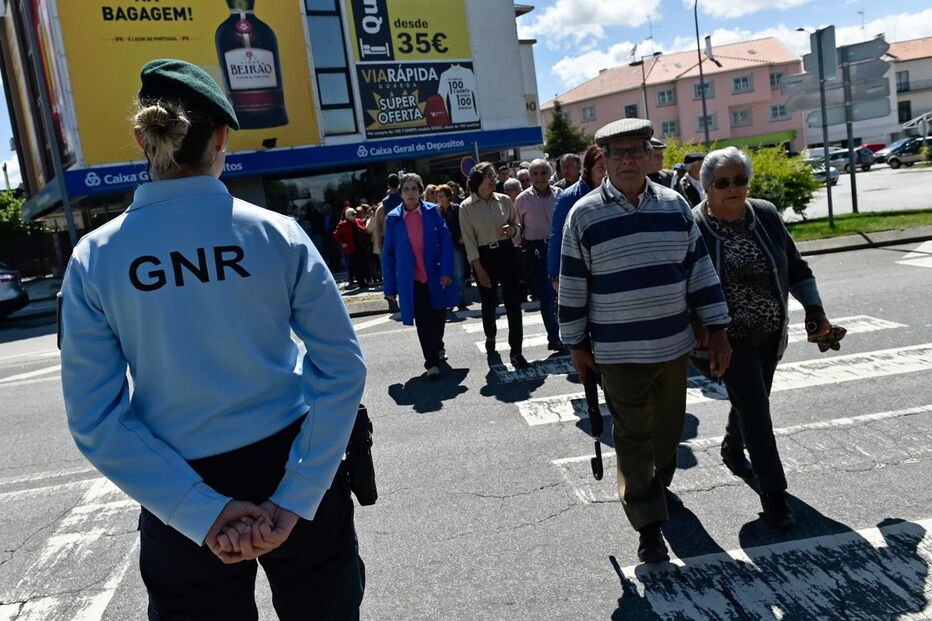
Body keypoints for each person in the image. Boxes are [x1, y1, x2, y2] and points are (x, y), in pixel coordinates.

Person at [59, 59, 367, 619]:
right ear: (221, 136)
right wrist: (295, 497)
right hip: (296, 457)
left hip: (175, 475)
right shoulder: (277, 234)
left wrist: (199, 510)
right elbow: (342, 370)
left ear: (142, 139)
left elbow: (95, 418)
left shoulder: (95, 258)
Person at [559, 118, 732, 564]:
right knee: (633, 437)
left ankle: (657, 488)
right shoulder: (584, 215)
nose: (629, 160)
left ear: (650, 155)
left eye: (637, 150)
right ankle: (648, 524)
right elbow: (573, 287)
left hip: (673, 347)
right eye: (619, 153)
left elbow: (700, 272)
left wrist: (717, 330)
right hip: (617, 354)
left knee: (669, 433)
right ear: (605, 160)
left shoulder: (675, 207)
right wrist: (576, 346)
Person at [691, 146, 833, 529]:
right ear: (707, 187)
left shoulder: (766, 215)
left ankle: (732, 446)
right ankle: (773, 494)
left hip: (770, 332)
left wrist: (814, 310)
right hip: (726, 338)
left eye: (740, 180)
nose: (733, 188)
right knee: (756, 407)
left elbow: (796, 267)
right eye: (723, 183)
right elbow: (684, 286)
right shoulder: (694, 226)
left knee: (755, 399)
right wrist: (701, 332)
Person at [382, 173, 460, 378]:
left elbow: (445, 241)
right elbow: (388, 254)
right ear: (400, 193)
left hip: (435, 274)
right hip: (412, 279)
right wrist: (389, 287)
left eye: (414, 189)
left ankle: (438, 345)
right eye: (406, 189)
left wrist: (446, 270)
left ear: (420, 192)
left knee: (439, 316)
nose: (410, 193)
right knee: (424, 321)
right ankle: (432, 363)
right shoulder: (393, 219)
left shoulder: (432, 212)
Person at [459, 161, 528, 369]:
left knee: (513, 303)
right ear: (478, 180)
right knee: (489, 304)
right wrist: (478, 268)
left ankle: (516, 351)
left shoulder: (505, 200)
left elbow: (517, 224)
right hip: (484, 257)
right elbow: (469, 243)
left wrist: (513, 230)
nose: (493, 179)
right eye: (489, 176)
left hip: (506, 252)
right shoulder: (466, 207)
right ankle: (490, 336)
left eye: (493, 176)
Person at [514, 158, 562, 350]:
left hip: (560, 247)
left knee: (568, 293)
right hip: (537, 251)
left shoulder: (561, 195)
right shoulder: (522, 199)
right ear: (530, 176)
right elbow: (517, 230)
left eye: (543, 173)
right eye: (535, 173)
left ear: (550, 174)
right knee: (547, 295)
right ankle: (553, 337)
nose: (540, 177)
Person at [547, 144, 606, 285]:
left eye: (609, 166)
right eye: (601, 167)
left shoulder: (618, 192)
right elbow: (557, 235)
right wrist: (554, 274)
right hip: (579, 267)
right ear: (588, 168)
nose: (606, 172)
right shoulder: (568, 197)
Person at [436, 183, 468, 309]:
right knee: (446, 274)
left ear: (448, 197)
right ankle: (450, 298)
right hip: (442, 249)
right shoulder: (436, 212)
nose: (440, 199)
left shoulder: (456, 209)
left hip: (455, 245)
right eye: (438, 196)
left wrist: (462, 237)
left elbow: (463, 224)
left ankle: (460, 298)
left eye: (442, 196)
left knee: (459, 273)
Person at [334, 207, 372, 288]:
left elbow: (364, 229)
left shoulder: (358, 221)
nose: (355, 216)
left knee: (364, 264)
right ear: (347, 216)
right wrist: (343, 243)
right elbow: (336, 234)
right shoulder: (342, 224)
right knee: (357, 266)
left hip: (362, 247)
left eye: (355, 214)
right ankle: (361, 283)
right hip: (352, 249)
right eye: (353, 214)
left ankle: (366, 279)